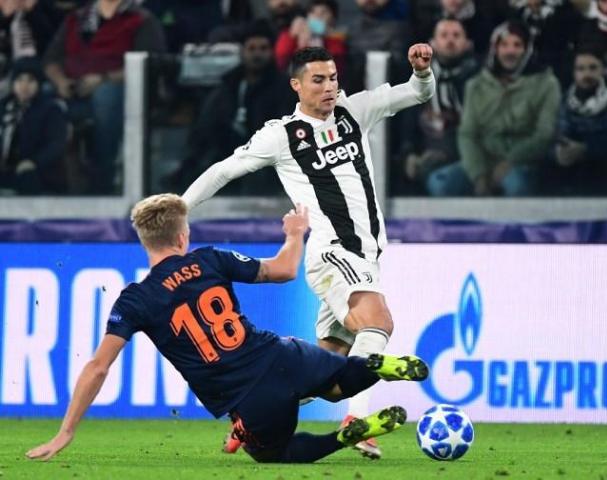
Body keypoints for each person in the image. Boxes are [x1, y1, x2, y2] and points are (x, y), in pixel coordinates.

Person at [25, 193, 428, 463]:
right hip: (281, 352)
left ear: (144, 241)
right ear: (183, 235)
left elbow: (98, 367)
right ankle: (376, 363)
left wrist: (66, 431)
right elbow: (285, 269)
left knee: (273, 454)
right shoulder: (210, 259)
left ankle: (343, 437)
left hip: (248, 396)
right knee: (338, 381)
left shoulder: (135, 300)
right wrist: (293, 234)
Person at [181, 44, 435, 459]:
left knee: (326, 365)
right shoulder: (280, 135)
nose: (329, 87)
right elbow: (225, 169)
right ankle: (357, 418)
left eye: (333, 77)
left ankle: (249, 418)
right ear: (296, 85)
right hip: (333, 251)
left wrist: (422, 72)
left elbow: (416, 93)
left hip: (366, 254)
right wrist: (181, 209)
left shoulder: (355, 112)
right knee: (377, 321)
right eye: (318, 80)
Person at [42, 0, 165, 194]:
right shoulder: (76, 19)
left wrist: (102, 79)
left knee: (106, 96)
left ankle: (103, 172)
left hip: (117, 88)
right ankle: (36, 173)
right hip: (74, 85)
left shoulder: (140, 19)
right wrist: (61, 82)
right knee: (42, 94)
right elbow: (51, 59)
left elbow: (150, 63)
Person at [429, 20, 560, 196]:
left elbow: (543, 135)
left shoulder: (546, 83)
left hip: (523, 163)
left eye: (517, 45)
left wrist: (510, 162)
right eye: (504, 45)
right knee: (439, 183)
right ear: (495, 49)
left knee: (516, 186)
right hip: (483, 161)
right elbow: (467, 134)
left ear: (527, 49)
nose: (510, 51)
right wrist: (479, 175)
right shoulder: (476, 85)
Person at [164, 22, 296, 193]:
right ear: (242, 52)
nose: (257, 54)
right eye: (252, 48)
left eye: (263, 49)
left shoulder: (284, 88)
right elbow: (207, 127)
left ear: (271, 52)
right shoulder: (228, 85)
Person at [398, 18, 479, 195]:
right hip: (428, 158)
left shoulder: (479, 80)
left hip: (470, 160)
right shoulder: (418, 79)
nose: (450, 40)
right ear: (432, 44)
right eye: (444, 35)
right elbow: (408, 125)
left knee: (441, 183)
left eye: (456, 35)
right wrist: (409, 154)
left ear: (467, 44)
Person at [544, 49, 607, 195]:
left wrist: (586, 149)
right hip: (570, 172)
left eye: (593, 68)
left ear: (603, 70)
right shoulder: (565, 100)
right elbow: (553, 135)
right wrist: (558, 153)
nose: (586, 74)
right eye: (581, 69)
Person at [0, 57, 68, 195]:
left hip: (37, 170)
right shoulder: (3, 106)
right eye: (19, 80)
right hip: (5, 170)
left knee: (28, 179)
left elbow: (56, 144)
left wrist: (34, 162)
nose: (24, 86)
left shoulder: (51, 109)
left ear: (39, 83)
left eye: (30, 80)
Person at [275, 0, 347, 75]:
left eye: (324, 12)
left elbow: (335, 70)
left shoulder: (338, 42)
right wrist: (292, 35)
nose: (317, 16)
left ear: (334, 18)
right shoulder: (291, 35)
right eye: (312, 12)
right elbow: (281, 61)